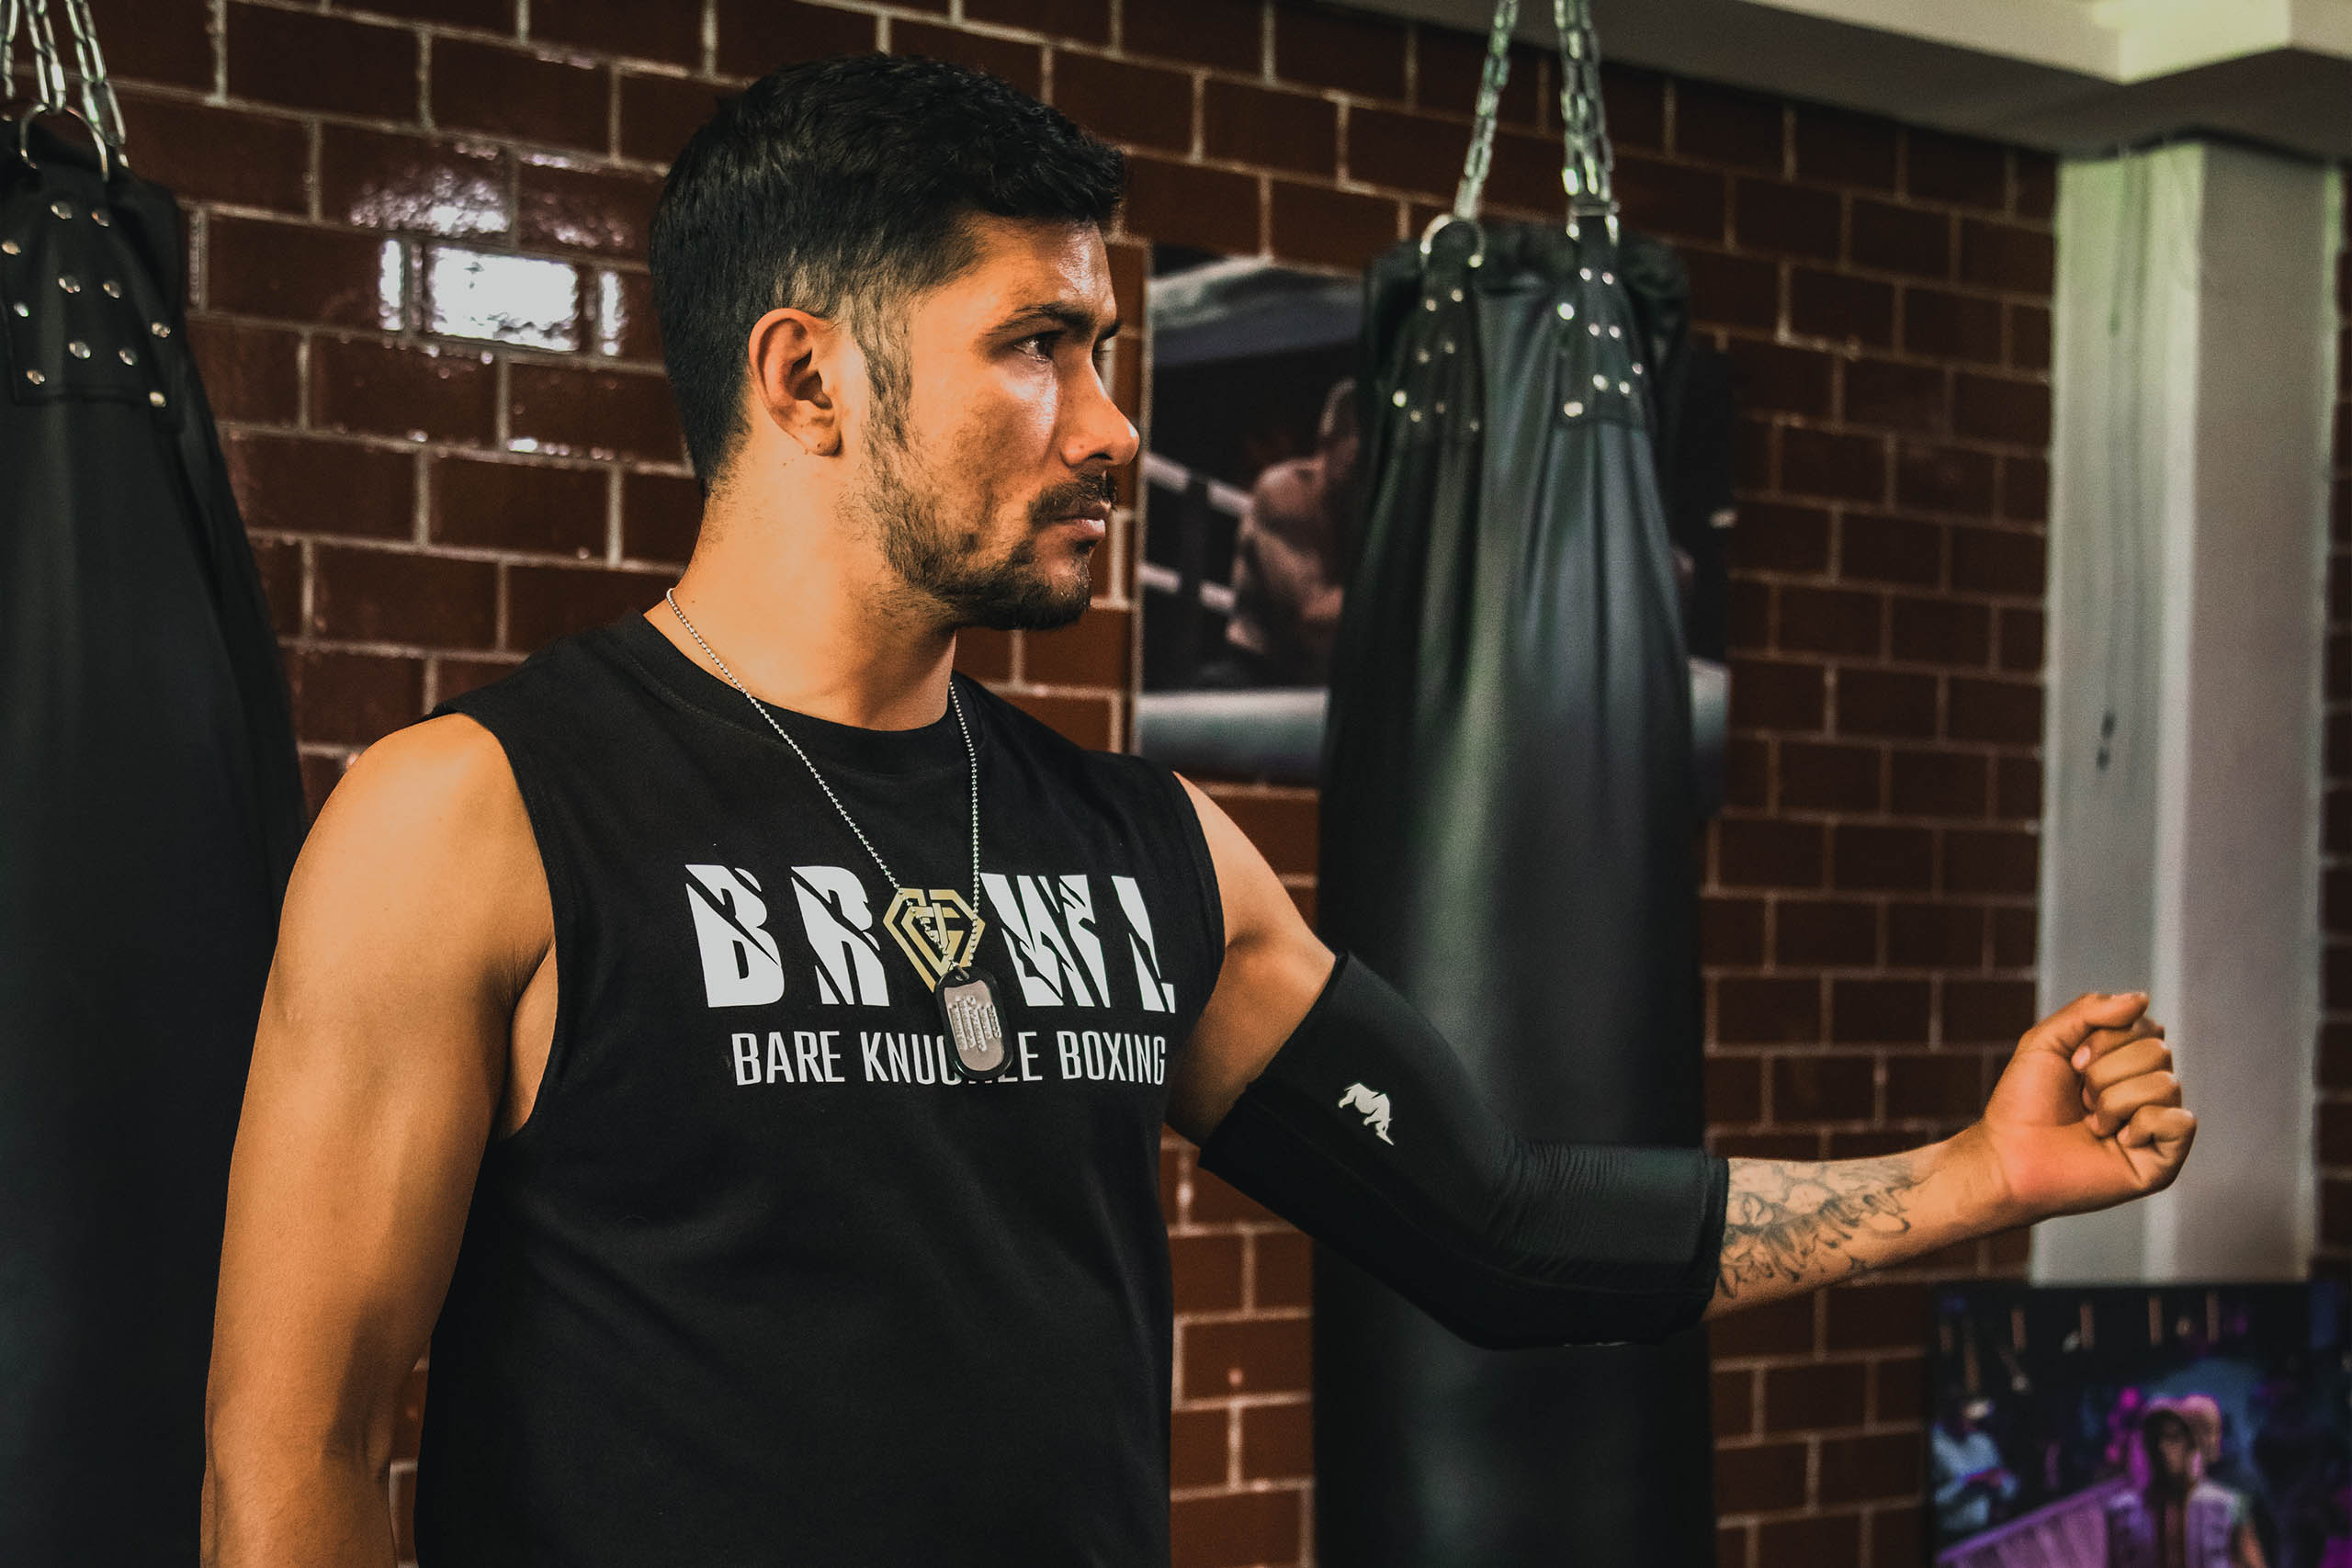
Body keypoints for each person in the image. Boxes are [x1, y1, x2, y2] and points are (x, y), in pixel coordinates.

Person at [198, 53, 2199, 1568]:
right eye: (1036, 347)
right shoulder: (475, 819)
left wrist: (1969, 1177)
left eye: (1104, 345)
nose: (1110, 424)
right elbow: (299, 1447)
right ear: (805, 377)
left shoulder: (1146, 851)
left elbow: (1493, 1226)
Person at [2108, 1399, 2268, 1568]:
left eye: (2173, 1437)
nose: (2162, 1448)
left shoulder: (2231, 1505)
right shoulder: (2121, 1511)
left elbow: (2253, 1562)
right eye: (2154, 1439)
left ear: (2190, 1443)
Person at [1934, 1392, 2021, 1540]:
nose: (1969, 1420)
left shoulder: (1982, 1441)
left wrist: (2001, 1486)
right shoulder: (1934, 1445)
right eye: (1962, 1414)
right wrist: (1968, 1483)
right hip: (1953, 1536)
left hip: (1993, 1529)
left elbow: (2009, 1482)